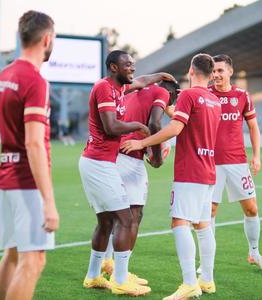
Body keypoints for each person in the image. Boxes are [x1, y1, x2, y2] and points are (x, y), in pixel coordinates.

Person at [121, 53, 221, 300]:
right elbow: (186, 118)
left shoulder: (188, 95)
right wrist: (168, 108)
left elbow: (176, 128)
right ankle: (206, 280)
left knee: (180, 223)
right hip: (209, 169)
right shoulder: (214, 100)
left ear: (191, 70)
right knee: (203, 225)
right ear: (210, 74)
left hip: (191, 170)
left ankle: (189, 283)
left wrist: (141, 143)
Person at [79, 49, 175, 296]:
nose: (133, 68)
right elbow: (111, 127)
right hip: (99, 164)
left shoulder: (119, 88)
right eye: (128, 65)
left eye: (133, 64)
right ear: (113, 67)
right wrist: (140, 127)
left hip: (100, 162)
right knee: (127, 219)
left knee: (106, 221)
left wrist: (159, 74)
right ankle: (120, 280)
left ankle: (93, 276)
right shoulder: (104, 88)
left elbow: (141, 81)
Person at [0, 10, 59, 300]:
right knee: (33, 261)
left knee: (12, 255)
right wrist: (49, 202)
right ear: (46, 39)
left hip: (7, 177)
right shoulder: (35, 81)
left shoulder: (5, 74)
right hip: (27, 181)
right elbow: (34, 144)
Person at [101, 80, 180, 278]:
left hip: (112, 155)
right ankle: (122, 273)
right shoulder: (162, 92)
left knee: (113, 216)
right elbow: (154, 123)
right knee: (134, 216)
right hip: (130, 158)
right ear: (171, 95)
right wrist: (157, 156)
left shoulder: (132, 94)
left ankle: (106, 263)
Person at [208, 54, 262, 272]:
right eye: (213, 71)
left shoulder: (242, 95)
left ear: (229, 71)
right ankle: (206, 262)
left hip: (237, 161)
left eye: (220, 70)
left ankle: (254, 253)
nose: (216, 75)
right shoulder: (205, 95)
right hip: (211, 163)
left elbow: (254, 127)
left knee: (252, 208)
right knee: (209, 212)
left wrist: (257, 156)